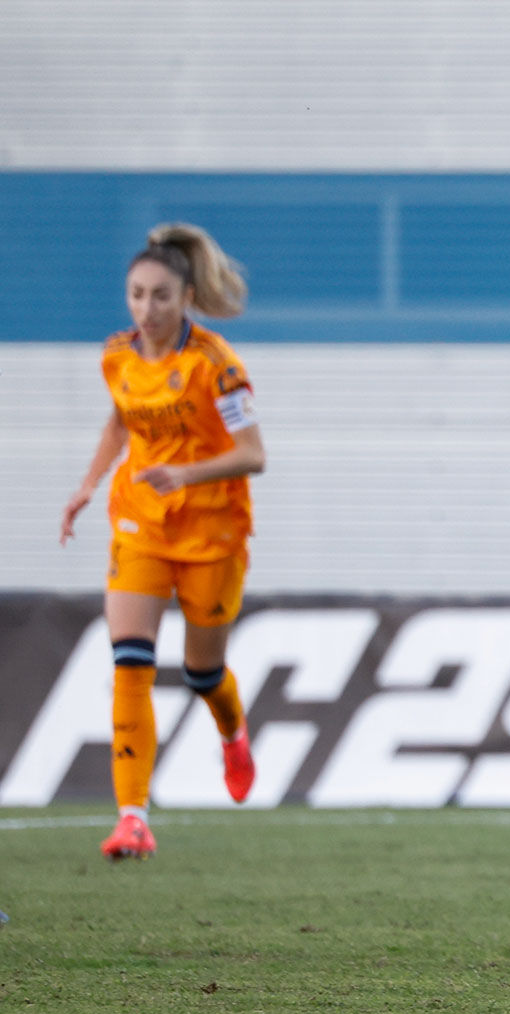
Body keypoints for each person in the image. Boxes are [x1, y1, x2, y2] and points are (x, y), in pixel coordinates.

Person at [59, 223, 264, 861]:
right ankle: (132, 817)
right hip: (140, 522)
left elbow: (253, 456)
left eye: (160, 297)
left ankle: (232, 731)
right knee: (131, 663)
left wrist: (186, 473)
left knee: (202, 672)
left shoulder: (217, 365)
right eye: (136, 295)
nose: (146, 310)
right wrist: (89, 483)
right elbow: (122, 417)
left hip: (212, 530)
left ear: (186, 298)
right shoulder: (117, 355)